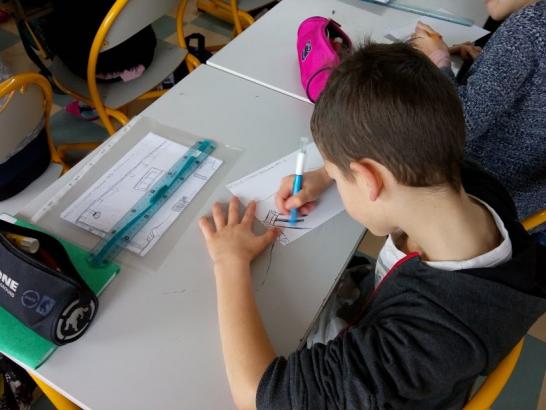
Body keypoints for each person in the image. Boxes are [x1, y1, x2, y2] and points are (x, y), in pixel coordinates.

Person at [198, 42, 546, 409]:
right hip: (378, 321)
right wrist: (326, 174)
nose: (335, 178)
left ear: (369, 180)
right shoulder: (473, 186)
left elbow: (256, 396)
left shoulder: (421, 344)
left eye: (339, 173)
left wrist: (229, 262)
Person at [410, 0, 546, 235]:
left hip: (469, 194)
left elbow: (454, 124)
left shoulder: (529, 29)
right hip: (521, 205)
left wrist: (437, 61)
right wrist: (490, 68)